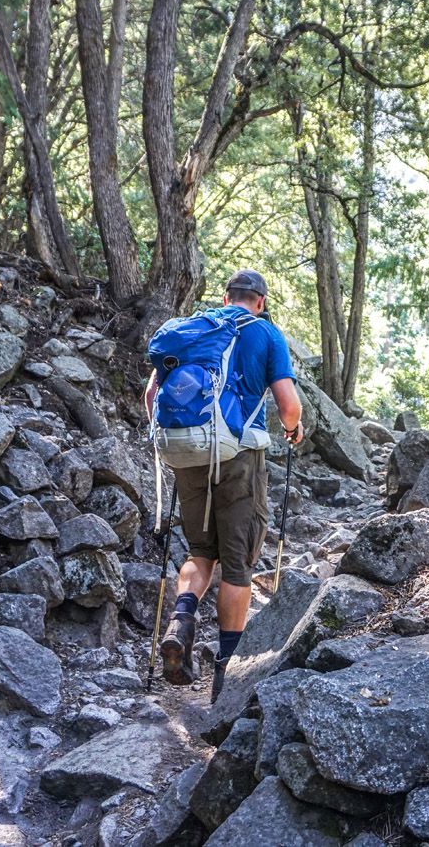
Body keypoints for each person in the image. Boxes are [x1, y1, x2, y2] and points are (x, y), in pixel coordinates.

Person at [143, 269, 304, 701]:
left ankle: (181, 623)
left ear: (226, 296)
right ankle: (226, 674)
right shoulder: (266, 335)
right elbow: (288, 405)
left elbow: (150, 398)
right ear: (261, 301)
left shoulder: (195, 329)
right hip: (239, 459)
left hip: (187, 453)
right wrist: (295, 428)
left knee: (200, 553)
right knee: (237, 566)